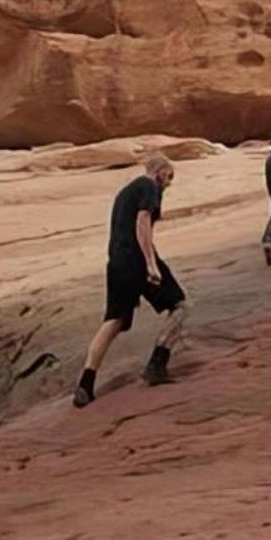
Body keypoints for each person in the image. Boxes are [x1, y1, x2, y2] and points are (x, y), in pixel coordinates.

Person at [74, 154, 187, 407]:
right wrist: (150, 263)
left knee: (114, 321)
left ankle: (85, 383)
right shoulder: (149, 186)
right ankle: (157, 365)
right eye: (169, 177)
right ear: (160, 171)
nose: (169, 183)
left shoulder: (125, 191)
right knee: (181, 307)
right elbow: (142, 221)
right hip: (137, 259)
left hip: (116, 262)